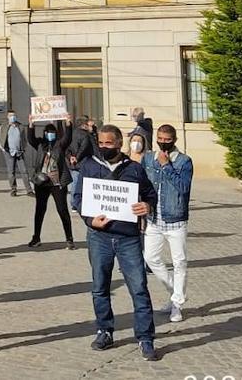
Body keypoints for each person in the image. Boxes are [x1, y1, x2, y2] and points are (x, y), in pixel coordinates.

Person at [73, 125, 160, 361]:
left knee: (139, 288)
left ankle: (145, 337)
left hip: (128, 238)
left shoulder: (134, 168)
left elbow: (150, 194)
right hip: (98, 237)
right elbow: (78, 198)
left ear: (119, 144)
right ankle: (104, 330)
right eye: (100, 143)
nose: (103, 147)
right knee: (100, 287)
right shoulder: (89, 166)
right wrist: (91, 219)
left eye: (108, 143)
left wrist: (147, 206)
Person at [142, 124, 192, 323]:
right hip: (154, 218)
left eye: (167, 140)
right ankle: (175, 293)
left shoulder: (184, 161)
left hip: (176, 218)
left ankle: (177, 306)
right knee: (151, 258)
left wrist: (167, 166)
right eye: (160, 139)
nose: (163, 143)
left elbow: (183, 187)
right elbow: (144, 184)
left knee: (179, 262)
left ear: (174, 140)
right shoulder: (148, 158)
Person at [27, 119, 74, 249]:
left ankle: (69, 239)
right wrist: (31, 124)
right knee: (40, 210)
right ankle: (36, 237)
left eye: (52, 132)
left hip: (57, 183)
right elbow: (31, 139)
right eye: (48, 132)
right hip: (42, 182)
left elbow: (68, 138)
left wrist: (68, 123)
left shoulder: (60, 144)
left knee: (62, 210)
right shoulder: (41, 144)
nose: (50, 134)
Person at [0, 111, 30, 197]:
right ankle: (13, 189)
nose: (12, 117)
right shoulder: (3, 127)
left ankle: (29, 190)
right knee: (11, 172)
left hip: (19, 152)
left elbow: (24, 139)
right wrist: (3, 149)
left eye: (14, 115)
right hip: (8, 152)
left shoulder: (20, 126)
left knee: (24, 171)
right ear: (7, 117)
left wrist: (24, 148)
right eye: (11, 116)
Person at [66, 116, 96, 207]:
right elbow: (84, 148)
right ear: (84, 125)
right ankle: (76, 203)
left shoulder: (71, 134)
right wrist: (77, 157)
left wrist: (70, 156)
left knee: (75, 183)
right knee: (81, 183)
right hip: (82, 162)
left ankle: (73, 203)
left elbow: (67, 147)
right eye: (89, 125)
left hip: (73, 162)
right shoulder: (85, 135)